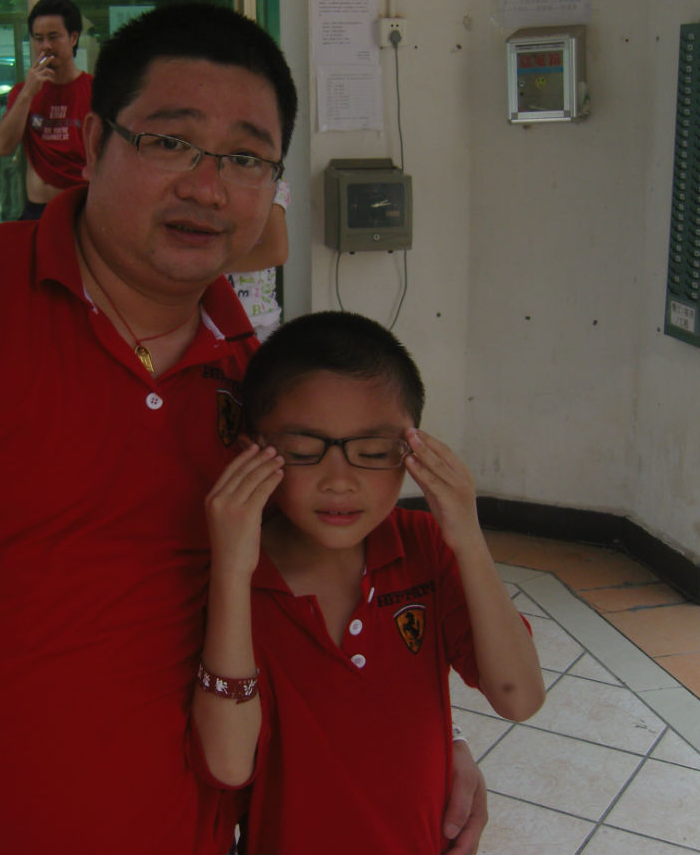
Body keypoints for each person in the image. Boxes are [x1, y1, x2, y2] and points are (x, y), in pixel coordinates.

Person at [0, 4, 488, 854]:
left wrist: (427, 743)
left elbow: (319, 590)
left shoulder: (257, 381)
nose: (207, 186)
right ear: (92, 144)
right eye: (170, 141)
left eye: (245, 158)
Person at [194, 311, 545, 853]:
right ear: (251, 453)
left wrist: (468, 540)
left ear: (412, 451)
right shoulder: (238, 579)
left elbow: (519, 697)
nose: (340, 481)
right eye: (304, 450)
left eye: (374, 453)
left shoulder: (423, 547)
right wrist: (233, 573)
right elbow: (229, 764)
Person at [0, 0, 92, 219]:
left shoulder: (94, 89)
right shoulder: (23, 92)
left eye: (53, 37)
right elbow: (2, 146)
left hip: (83, 207)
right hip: (38, 209)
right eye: (38, 39)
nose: (45, 46)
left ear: (73, 37)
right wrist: (28, 93)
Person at [226, 178, 289, 340]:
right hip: (205, 320)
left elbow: (276, 252)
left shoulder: (269, 181)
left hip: (257, 323)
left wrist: (211, 264)